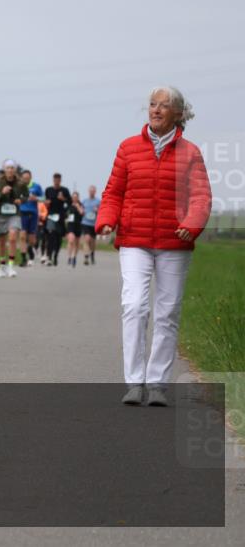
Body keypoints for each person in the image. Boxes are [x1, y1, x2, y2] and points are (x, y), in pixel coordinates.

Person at [96, 86, 211, 407]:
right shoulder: (129, 148)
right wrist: (106, 219)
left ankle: (157, 383)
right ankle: (134, 382)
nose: (156, 110)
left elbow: (201, 196)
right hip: (134, 239)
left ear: (178, 113)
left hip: (175, 241)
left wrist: (192, 224)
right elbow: (113, 191)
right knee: (134, 306)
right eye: (152, 104)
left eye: (164, 106)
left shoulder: (190, 153)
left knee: (167, 312)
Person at [0, 159, 29, 277]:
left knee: (12, 237)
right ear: (4, 170)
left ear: (15, 170)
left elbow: (26, 196)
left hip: (14, 214)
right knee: (1, 242)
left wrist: (20, 200)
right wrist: (1, 193)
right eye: (8, 168)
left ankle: (11, 266)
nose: (10, 170)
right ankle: (2, 266)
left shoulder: (21, 184)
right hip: (0, 214)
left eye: (12, 168)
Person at [43, 173, 71, 266]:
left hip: (60, 216)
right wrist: (46, 203)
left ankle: (56, 255)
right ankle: (49, 256)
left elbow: (70, 203)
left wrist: (63, 199)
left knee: (58, 238)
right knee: (51, 235)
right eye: (55, 179)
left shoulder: (65, 190)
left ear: (60, 180)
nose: (56, 181)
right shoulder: (48, 190)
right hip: (51, 215)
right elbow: (45, 202)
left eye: (58, 180)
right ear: (53, 180)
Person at [19, 169, 42, 267]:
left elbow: (44, 198)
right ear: (22, 178)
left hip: (33, 214)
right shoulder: (19, 186)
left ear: (30, 177)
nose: (25, 180)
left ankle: (31, 249)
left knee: (32, 239)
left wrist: (36, 198)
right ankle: (23, 258)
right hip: (22, 213)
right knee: (23, 236)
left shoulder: (36, 186)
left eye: (27, 178)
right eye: (24, 178)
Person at [81, 185, 101, 265]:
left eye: (93, 191)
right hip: (85, 223)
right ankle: (86, 257)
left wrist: (97, 210)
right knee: (87, 239)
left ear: (95, 192)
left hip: (94, 224)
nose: (92, 192)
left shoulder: (98, 201)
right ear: (88, 191)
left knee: (92, 242)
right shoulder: (84, 201)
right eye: (90, 191)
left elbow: (101, 211)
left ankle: (92, 254)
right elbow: (81, 209)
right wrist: (81, 210)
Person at [64, 191, 85, 267]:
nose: (75, 198)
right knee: (71, 241)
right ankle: (69, 257)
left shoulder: (80, 205)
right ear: (72, 198)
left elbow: (82, 213)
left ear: (78, 198)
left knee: (76, 243)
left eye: (76, 197)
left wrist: (77, 206)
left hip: (78, 225)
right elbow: (65, 214)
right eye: (73, 197)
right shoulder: (69, 205)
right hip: (70, 225)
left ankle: (74, 257)